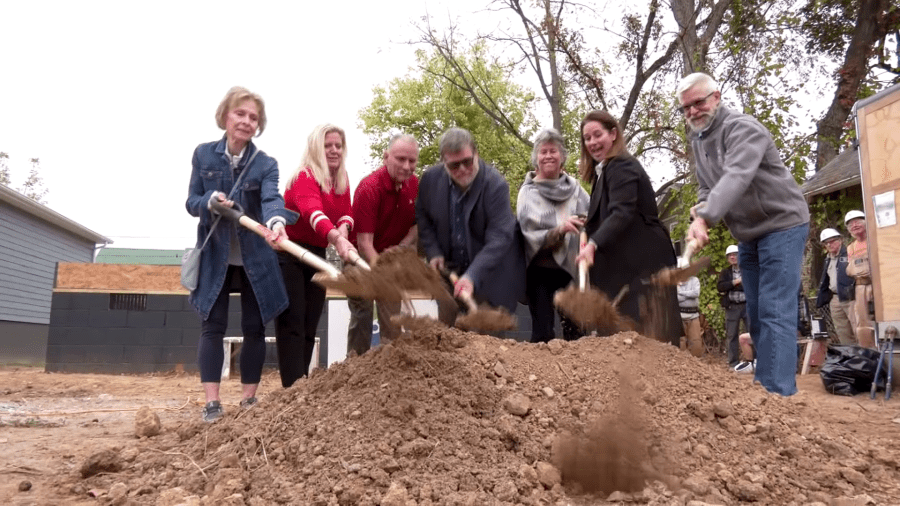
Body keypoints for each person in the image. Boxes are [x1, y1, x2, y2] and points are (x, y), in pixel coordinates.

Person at [677, 72, 810, 396]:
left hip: (783, 224)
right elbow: (707, 187)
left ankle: (777, 394)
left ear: (716, 98)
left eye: (698, 102)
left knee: (775, 308)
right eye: (686, 108)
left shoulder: (743, 129)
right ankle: (765, 387)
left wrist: (707, 215)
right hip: (748, 234)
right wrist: (701, 213)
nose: (693, 111)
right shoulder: (699, 140)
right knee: (757, 312)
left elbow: (737, 176)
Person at [185, 86, 297, 422]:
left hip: (254, 258)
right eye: (241, 114)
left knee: (254, 327)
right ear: (225, 115)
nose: (247, 122)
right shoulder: (203, 155)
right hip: (216, 255)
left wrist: (276, 221)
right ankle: (212, 403)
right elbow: (191, 203)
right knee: (212, 326)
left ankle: (248, 400)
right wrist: (209, 201)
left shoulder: (264, 164)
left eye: (254, 118)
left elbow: (271, 198)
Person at [574, 110, 682, 344]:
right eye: (587, 138)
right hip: (622, 271)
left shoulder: (622, 165)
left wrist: (592, 244)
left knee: (651, 340)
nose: (592, 142)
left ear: (613, 134)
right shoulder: (603, 173)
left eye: (597, 135)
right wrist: (588, 228)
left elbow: (622, 212)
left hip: (642, 268)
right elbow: (609, 215)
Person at [416, 127, 525, 325]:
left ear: (476, 153)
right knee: (448, 334)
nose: (463, 170)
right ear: (443, 162)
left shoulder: (496, 184)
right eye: (454, 166)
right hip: (450, 272)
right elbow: (423, 217)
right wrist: (433, 252)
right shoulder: (430, 181)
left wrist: (472, 276)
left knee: (486, 345)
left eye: (467, 161)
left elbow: (500, 237)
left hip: (490, 275)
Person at [278, 124, 360, 387]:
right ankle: (291, 387)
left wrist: (345, 229)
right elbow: (315, 215)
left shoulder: (342, 178)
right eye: (328, 146)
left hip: (316, 253)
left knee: (310, 320)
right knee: (293, 322)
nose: (334, 150)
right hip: (289, 252)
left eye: (338, 145)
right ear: (316, 148)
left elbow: (346, 211)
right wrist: (337, 239)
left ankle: (301, 382)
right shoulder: (305, 177)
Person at [346, 134, 420, 356]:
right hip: (359, 259)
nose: (407, 167)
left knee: (392, 323)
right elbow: (364, 244)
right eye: (400, 159)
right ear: (386, 156)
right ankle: (354, 368)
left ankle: (392, 376)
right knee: (363, 315)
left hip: (389, 259)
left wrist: (400, 249)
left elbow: (416, 227)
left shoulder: (415, 185)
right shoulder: (369, 188)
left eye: (412, 161)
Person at [516, 128, 590, 342]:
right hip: (539, 271)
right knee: (543, 333)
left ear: (562, 157)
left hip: (569, 270)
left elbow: (592, 216)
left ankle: (578, 375)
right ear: (536, 159)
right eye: (543, 151)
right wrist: (560, 229)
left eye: (553, 151)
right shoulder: (527, 193)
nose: (548, 155)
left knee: (576, 332)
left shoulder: (575, 189)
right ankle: (538, 375)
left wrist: (585, 225)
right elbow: (528, 233)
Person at [814, 227, 855, 345]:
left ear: (840, 240)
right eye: (826, 243)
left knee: (858, 329)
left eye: (832, 241)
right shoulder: (827, 259)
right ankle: (850, 357)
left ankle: (864, 356)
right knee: (842, 331)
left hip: (851, 297)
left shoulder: (850, 253)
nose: (829, 245)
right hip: (835, 299)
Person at [844, 210, 875, 348]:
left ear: (865, 221)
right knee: (862, 322)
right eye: (850, 224)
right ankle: (868, 352)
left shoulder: (875, 239)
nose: (854, 225)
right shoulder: (850, 248)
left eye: (857, 221)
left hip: (876, 285)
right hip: (859, 288)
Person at [717, 244, 750, 370]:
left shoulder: (748, 270)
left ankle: (754, 361)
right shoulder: (725, 272)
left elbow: (751, 285)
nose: (732, 257)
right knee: (732, 335)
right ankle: (733, 363)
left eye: (735, 254)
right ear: (727, 258)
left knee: (752, 333)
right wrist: (735, 282)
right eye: (730, 255)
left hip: (748, 306)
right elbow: (720, 287)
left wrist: (731, 286)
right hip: (732, 307)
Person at [676, 258, 704, 357]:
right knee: (681, 342)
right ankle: (681, 364)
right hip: (679, 316)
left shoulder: (695, 280)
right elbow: (676, 299)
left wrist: (681, 293)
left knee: (696, 341)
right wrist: (688, 295)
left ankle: (696, 364)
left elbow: (696, 294)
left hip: (693, 315)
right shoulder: (675, 283)